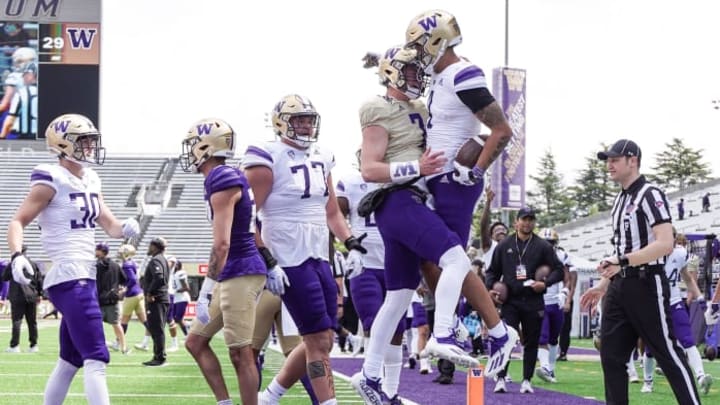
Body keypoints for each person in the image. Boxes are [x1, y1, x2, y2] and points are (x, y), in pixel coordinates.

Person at [350, 45, 511, 404]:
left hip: (407, 204)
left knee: (398, 298)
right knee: (455, 259)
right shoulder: (376, 107)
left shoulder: (420, 107)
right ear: (391, 75)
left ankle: (371, 375)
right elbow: (369, 169)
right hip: (399, 198)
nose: (416, 76)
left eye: (417, 70)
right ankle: (443, 332)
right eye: (408, 71)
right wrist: (416, 169)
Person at [403, 9, 518, 374]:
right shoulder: (439, 75)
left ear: (438, 42)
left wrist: (475, 170)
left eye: (420, 46)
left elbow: (502, 130)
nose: (416, 54)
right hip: (437, 177)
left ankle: (455, 330)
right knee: (431, 257)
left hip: (456, 178)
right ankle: (493, 331)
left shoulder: (462, 75)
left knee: (450, 257)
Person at [6, 113, 140, 405]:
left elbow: (111, 226)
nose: (91, 146)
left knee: (71, 359)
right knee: (97, 357)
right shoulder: (51, 177)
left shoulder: (91, 178)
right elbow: (17, 221)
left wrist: (126, 227)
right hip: (69, 274)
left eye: (92, 140)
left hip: (84, 275)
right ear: (63, 145)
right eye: (84, 140)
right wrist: (17, 254)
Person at [244, 94, 367, 405]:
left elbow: (331, 212)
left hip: (317, 256)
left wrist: (350, 243)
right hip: (287, 259)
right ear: (281, 123)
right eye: (299, 120)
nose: (306, 125)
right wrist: (267, 260)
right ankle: (328, 403)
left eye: (309, 120)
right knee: (316, 339)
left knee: (322, 336)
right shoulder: (267, 156)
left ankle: (270, 397)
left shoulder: (322, 155)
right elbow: (246, 216)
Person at [580, 139, 701, 405]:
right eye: (607, 160)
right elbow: (619, 249)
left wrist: (624, 261)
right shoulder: (620, 199)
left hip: (647, 284)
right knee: (611, 355)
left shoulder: (650, 193)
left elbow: (665, 243)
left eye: (614, 160)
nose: (609, 165)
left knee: (667, 353)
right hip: (620, 285)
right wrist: (602, 284)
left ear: (632, 160)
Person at [180, 118, 267, 405]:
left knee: (241, 353)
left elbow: (222, 243)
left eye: (194, 145)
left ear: (206, 146)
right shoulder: (225, 175)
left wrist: (205, 289)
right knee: (195, 341)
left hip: (240, 270)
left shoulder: (221, 177)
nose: (191, 151)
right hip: (235, 269)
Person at [336, 159, 405, 403]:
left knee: (398, 328)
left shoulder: (401, 180)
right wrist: (348, 244)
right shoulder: (351, 183)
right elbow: (334, 215)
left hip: (394, 263)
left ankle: (390, 391)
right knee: (374, 322)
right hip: (364, 264)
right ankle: (370, 381)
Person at [485, 208, 564, 394]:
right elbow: (491, 272)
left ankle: (527, 380)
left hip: (533, 300)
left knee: (531, 341)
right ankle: (501, 377)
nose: (528, 223)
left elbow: (559, 270)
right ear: (516, 222)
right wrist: (491, 288)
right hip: (510, 300)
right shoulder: (504, 245)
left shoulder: (543, 246)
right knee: (507, 340)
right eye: (524, 219)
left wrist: (545, 284)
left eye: (531, 220)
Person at [640, 229, 712, 395]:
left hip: (674, 302)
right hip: (654, 305)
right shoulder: (649, 255)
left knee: (688, 340)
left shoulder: (680, 254)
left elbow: (687, 278)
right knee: (651, 347)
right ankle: (648, 381)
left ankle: (700, 377)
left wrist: (700, 298)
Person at [534, 228, 573, 384]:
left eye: (550, 243)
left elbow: (568, 278)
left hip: (556, 302)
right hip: (540, 302)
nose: (548, 245)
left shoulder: (561, 256)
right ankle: (545, 367)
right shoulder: (532, 257)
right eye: (545, 242)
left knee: (553, 339)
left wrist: (565, 293)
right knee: (542, 337)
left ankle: (550, 369)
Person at [2, 244, 42, 352]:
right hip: (32, 296)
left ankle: (14, 346)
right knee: (32, 321)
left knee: (17, 321)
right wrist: (40, 294)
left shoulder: (13, 264)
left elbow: (4, 277)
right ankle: (33, 345)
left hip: (17, 296)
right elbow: (39, 280)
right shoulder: (33, 263)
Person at [94, 242, 129, 355]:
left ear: (102, 251)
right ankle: (124, 347)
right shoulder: (115, 265)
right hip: (113, 299)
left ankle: (101, 345)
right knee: (116, 324)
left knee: (97, 325)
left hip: (99, 300)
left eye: (97, 249)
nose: (95, 251)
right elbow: (124, 280)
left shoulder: (96, 265)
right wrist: (120, 290)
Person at [141, 237, 170, 367]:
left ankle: (159, 358)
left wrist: (150, 293)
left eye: (150, 245)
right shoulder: (162, 259)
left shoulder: (156, 260)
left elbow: (159, 278)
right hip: (161, 298)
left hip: (156, 299)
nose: (149, 247)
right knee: (157, 328)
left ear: (155, 247)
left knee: (157, 329)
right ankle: (158, 356)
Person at [117, 244, 149, 349]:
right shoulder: (133, 263)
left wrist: (124, 289)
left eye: (122, 252)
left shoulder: (126, 264)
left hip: (131, 295)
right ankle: (149, 341)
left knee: (124, 320)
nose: (120, 254)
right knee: (144, 319)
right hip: (139, 293)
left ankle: (118, 343)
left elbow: (132, 279)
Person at [0, 61, 36, 139]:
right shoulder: (49, 92)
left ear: (30, 75)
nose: (23, 77)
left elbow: (10, 119)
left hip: (23, 136)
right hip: (44, 136)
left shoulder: (22, 93)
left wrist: (2, 137)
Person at [168, 258, 190, 350]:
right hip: (176, 299)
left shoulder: (180, 273)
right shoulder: (173, 274)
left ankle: (188, 334)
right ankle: (188, 326)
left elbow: (186, 287)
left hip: (182, 298)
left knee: (178, 318)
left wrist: (175, 290)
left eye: (175, 264)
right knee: (176, 318)